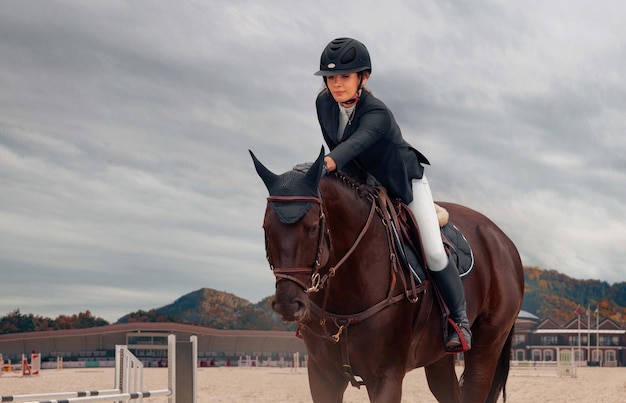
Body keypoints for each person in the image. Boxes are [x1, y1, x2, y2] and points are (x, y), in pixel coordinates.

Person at [314, 37, 471, 353]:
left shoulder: (377, 114)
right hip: (364, 187)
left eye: (345, 76)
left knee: (435, 253)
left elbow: (353, 145)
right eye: (331, 78)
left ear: (364, 77)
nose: (336, 84)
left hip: (403, 185)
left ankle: (460, 321)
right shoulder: (323, 105)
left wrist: (325, 164)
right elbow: (339, 148)